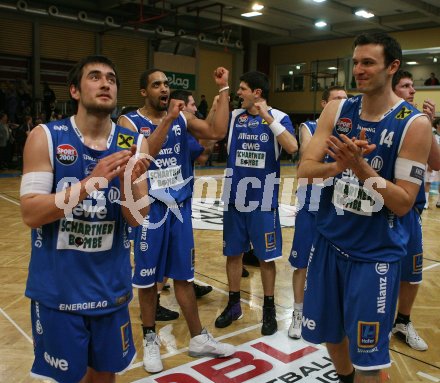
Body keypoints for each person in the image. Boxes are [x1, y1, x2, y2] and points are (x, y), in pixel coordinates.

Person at [299, 32, 431, 383]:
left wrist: (363, 170)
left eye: (368, 62)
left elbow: (403, 203)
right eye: (355, 62)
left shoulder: (414, 124)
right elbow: (305, 169)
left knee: (369, 361)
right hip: (329, 243)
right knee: (330, 334)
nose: (358, 69)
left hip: (375, 255)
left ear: (393, 67)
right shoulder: (338, 109)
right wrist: (338, 167)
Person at [20, 55, 150, 383]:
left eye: (111, 78)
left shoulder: (131, 141)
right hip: (59, 292)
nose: (105, 83)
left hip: (111, 289)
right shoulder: (45, 136)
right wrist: (92, 183)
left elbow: (137, 219)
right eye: (95, 77)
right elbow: (31, 212)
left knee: (105, 377)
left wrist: (127, 185)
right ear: (75, 91)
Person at [118, 67, 234, 374]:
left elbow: (216, 132)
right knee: (147, 281)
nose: (163, 88)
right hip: (148, 209)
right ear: (144, 92)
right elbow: (137, 160)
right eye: (156, 84)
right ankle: (150, 338)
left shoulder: (181, 118)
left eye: (166, 84)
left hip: (179, 209)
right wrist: (168, 119)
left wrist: (223, 90)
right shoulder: (128, 122)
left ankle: (198, 337)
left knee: (183, 276)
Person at [215, 71, 298, 336]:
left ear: (257, 93)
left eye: (243, 89)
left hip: (263, 200)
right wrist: (224, 87)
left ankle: (269, 310)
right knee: (233, 254)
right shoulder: (235, 117)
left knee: (266, 258)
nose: (240, 93)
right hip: (234, 198)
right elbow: (216, 127)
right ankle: (233, 304)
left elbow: (293, 147)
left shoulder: (280, 117)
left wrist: (267, 118)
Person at [288, 85, 347, 340]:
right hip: (311, 205)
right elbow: (305, 156)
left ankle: (336, 313)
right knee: (301, 264)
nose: (343, 102)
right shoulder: (309, 128)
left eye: (346, 98)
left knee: (340, 265)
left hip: (340, 208)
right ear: (325, 104)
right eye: (337, 99)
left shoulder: (352, 129)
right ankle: (298, 313)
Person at [391, 69, 440, 352]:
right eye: (406, 86)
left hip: (412, 211)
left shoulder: (418, 123)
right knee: (383, 270)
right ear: (393, 89)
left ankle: (403, 321)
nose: (412, 90)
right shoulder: (386, 120)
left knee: (412, 272)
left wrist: (430, 125)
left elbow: (436, 163)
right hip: (384, 209)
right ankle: (381, 322)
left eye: (412, 86)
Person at [424, 117, 440, 208]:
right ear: (437, 125)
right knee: (428, 182)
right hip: (432, 162)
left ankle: (439, 201)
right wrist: (430, 163)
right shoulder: (432, 135)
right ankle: (426, 202)